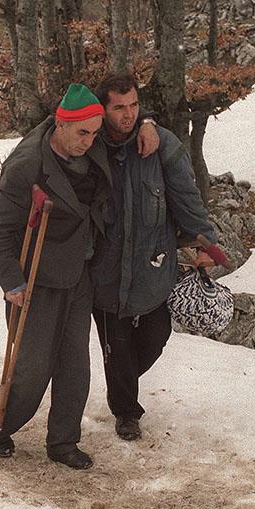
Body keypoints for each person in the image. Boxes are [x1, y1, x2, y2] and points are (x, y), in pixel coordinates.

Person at [0, 83, 114, 470]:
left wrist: (150, 122)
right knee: (33, 367)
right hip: (36, 279)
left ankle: (63, 441)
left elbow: (128, 126)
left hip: (78, 273)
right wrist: (11, 282)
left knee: (75, 365)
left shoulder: (93, 148)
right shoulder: (27, 167)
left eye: (94, 133)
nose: (89, 141)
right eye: (81, 133)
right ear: (60, 125)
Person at [90, 72, 226, 441]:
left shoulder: (161, 144)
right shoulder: (89, 144)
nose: (128, 115)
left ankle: (122, 383)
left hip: (153, 268)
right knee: (116, 349)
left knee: (155, 338)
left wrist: (205, 245)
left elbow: (187, 199)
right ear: (102, 109)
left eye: (134, 106)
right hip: (104, 274)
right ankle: (126, 412)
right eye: (119, 108)